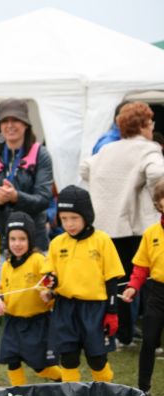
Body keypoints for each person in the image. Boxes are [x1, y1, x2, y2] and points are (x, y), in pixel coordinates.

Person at [80, 101, 164, 346]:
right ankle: (153, 337)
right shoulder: (148, 149)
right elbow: (158, 176)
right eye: (151, 123)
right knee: (146, 284)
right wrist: (153, 198)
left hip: (105, 228)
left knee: (116, 283)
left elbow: (85, 168)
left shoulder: (107, 149)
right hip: (135, 228)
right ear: (144, 125)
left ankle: (121, 335)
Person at [40, 185, 125, 383]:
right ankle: (72, 393)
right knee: (68, 358)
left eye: (74, 218)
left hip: (94, 309)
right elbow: (49, 276)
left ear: (86, 215)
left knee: (96, 359)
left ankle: (106, 392)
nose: (69, 224)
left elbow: (112, 278)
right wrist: (49, 289)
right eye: (64, 218)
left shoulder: (102, 241)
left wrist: (112, 312)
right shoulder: (57, 243)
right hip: (65, 308)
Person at [0, 212, 61, 386]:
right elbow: (1, 288)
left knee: (39, 367)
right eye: (13, 239)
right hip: (13, 322)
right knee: (11, 359)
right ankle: (18, 393)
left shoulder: (38, 260)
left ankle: (63, 379)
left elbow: (50, 281)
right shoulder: (7, 264)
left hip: (36, 323)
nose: (17, 244)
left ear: (30, 239)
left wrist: (47, 293)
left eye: (22, 239)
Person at [0, 98, 53, 253]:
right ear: (0, 126)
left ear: (26, 124)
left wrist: (16, 197)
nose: (10, 125)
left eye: (15, 120)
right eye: (5, 121)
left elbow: (44, 199)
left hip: (33, 244)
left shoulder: (40, 154)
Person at [121, 178, 164, 395]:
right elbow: (140, 267)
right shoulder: (151, 234)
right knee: (148, 340)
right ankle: (142, 390)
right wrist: (132, 287)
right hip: (157, 293)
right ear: (159, 203)